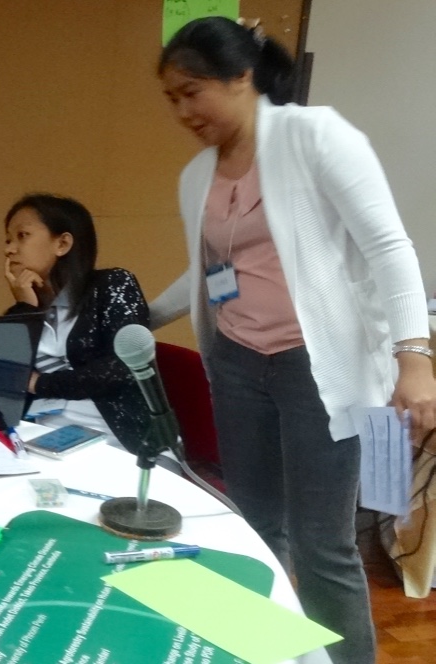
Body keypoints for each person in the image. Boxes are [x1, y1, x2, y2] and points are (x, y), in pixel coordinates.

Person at [151, 17, 436, 663]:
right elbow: (210, 272)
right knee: (255, 530)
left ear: (241, 76)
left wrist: (413, 359)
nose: (182, 111)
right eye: (171, 98)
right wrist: (135, 315)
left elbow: (390, 246)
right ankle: (267, 653)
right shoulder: (197, 175)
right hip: (235, 363)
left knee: (321, 545)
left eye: (192, 91)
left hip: (318, 371)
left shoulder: (315, 137)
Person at [1, 194, 150, 450]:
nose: (9, 249)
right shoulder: (25, 310)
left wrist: (41, 383)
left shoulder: (112, 285)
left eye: (22, 236)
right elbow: (3, 381)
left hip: (117, 437)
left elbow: (121, 367)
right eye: (8, 240)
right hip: (40, 436)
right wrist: (25, 309)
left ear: (62, 243)